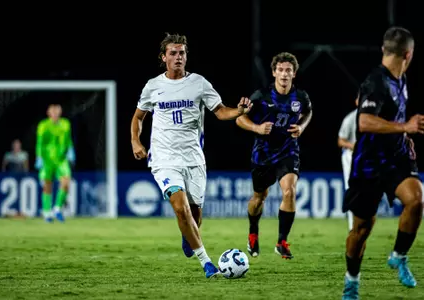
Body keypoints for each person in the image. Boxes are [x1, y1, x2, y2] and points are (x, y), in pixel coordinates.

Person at [130, 33, 252, 278]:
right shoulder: (153, 86)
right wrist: (135, 141)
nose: (178, 57)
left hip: (194, 158)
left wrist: (238, 111)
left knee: (195, 212)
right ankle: (207, 263)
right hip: (164, 158)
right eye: (173, 53)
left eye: (182, 53)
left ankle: (190, 235)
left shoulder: (199, 83)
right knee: (180, 207)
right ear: (163, 57)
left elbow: (219, 112)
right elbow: (138, 117)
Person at [342, 26, 424, 299]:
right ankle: (352, 280)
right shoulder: (375, 82)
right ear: (408, 54)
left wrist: (404, 134)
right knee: (361, 230)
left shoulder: (400, 79)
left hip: (396, 159)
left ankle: (399, 256)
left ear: (385, 50)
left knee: (416, 199)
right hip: (368, 165)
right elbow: (364, 122)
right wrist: (405, 126)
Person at [236, 52, 313, 259]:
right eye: (281, 70)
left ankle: (282, 241)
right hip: (263, 154)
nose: (284, 74)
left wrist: (302, 127)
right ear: (274, 72)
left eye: (288, 70)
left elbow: (308, 112)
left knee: (289, 191)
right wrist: (257, 128)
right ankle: (253, 232)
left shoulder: (301, 97)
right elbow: (239, 118)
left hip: (288, 151)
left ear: (294, 74)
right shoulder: (261, 96)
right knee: (259, 198)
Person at [35, 104, 76, 223]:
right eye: (53, 111)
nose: (55, 113)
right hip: (47, 159)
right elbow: (40, 142)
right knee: (47, 185)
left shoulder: (65, 124)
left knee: (66, 182)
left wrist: (70, 151)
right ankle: (47, 212)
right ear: (48, 113)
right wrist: (39, 157)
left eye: (57, 111)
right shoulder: (43, 125)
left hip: (61, 159)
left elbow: (68, 140)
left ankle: (57, 208)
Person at [338, 97, 358, 231]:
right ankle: (352, 226)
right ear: (357, 101)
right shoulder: (351, 118)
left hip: (369, 157)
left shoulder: (375, 117)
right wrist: (354, 145)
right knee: (352, 190)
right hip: (351, 156)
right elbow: (340, 141)